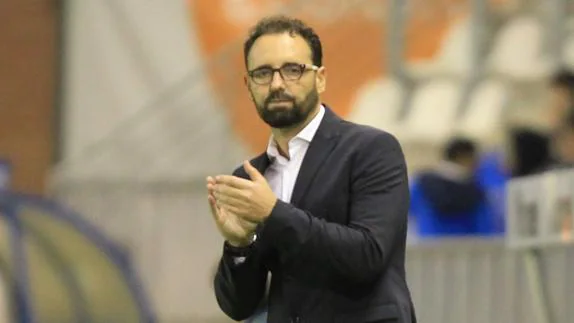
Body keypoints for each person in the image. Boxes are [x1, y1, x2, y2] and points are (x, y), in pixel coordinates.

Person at [206, 15, 416, 323]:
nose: (277, 84)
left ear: (320, 78)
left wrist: (272, 212)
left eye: (293, 70)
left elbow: (368, 255)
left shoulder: (372, 149)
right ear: (248, 86)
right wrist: (239, 246)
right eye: (263, 73)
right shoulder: (251, 178)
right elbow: (239, 307)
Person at [409, 137, 492, 236]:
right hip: (466, 248)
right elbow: (484, 228)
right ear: (466, 157)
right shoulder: (476, 190)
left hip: (427, 246)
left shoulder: (419, 184)